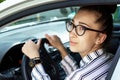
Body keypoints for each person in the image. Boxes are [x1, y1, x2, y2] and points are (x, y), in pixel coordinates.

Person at [22, 5, 117, 80]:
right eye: (72, 24)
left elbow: (78, 76)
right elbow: (76, 74)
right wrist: (61, 48)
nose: (71, 33)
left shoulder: (81, 76)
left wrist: (35, 59)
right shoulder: (110, 58)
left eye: (82, 28)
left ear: (100, 38)